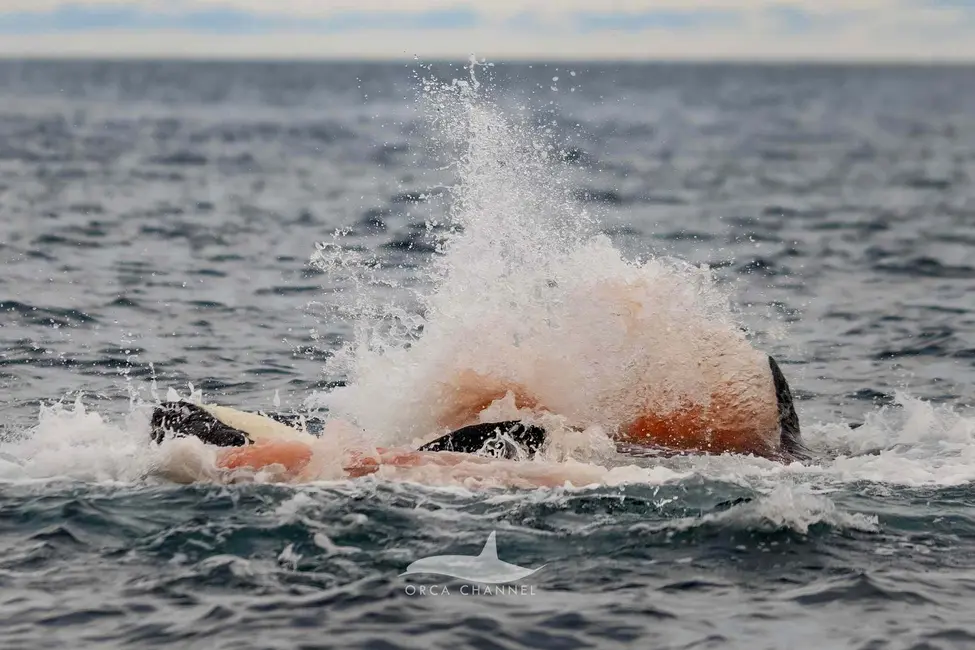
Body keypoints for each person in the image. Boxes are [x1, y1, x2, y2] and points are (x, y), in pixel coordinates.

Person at [149, 354, 803, 480]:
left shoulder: (254, 457)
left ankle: (776, 455)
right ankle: (776, 455)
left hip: (470, 456)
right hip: (474, 454)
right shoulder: (258, 454)